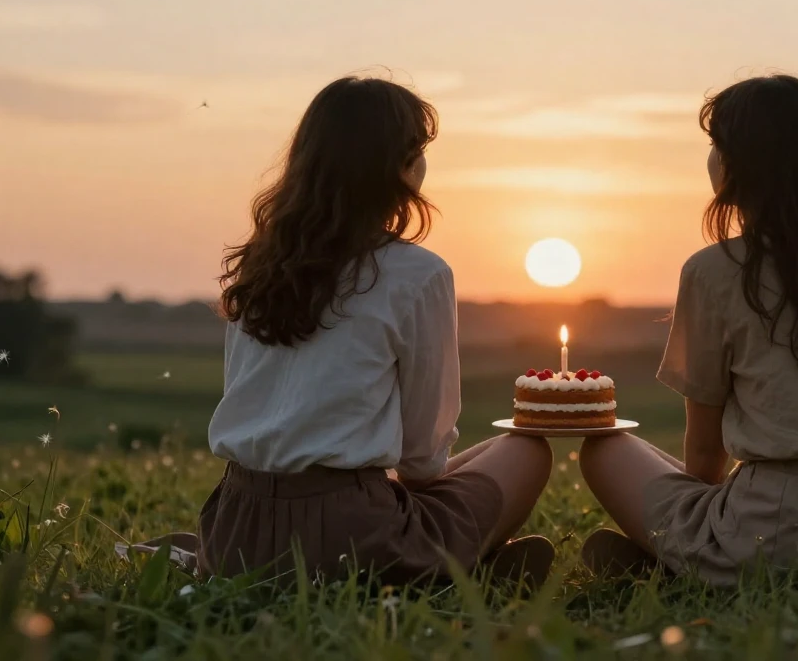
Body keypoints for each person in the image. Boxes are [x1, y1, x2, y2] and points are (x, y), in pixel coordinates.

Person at [196, 76, 555, 586]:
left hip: (232, 528)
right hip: (349, 538)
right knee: (525, 449)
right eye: (419, 151)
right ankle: (458, 570)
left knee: (463, 467)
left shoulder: (259, 266)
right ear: (399, 167)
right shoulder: (418, 273)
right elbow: (423, 462)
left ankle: (457, 567)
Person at [577, 74, 798, 585]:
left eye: (716, 145)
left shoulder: (715, 270)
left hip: (779, 529)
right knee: (647, 460)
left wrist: (694, 523)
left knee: (605, 448)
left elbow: (702, 457)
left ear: (741, 162)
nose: (711, 158)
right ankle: (681, 564)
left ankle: (687, 565)